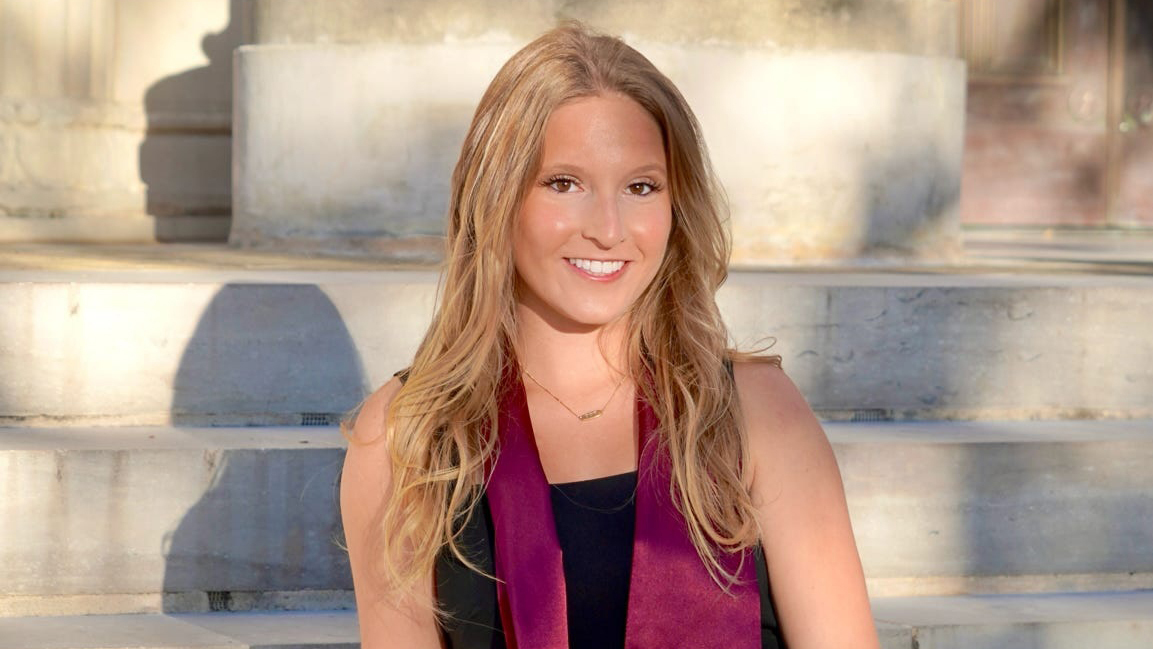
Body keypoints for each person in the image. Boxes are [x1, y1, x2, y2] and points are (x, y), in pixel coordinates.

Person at [341, 23, 880, 649]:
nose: (607, 228)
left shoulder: (757, 413)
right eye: (563, 183)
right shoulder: (406, 439)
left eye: (641, 187)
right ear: (496, 199)